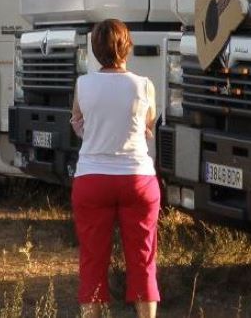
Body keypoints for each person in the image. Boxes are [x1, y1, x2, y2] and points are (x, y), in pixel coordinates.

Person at [70, 18, 160, 318]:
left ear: (96, 50)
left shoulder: (83, 84)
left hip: (92, 178)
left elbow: (77, 122)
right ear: (127, 47)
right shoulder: (144, 85)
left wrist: (92, 132)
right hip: (138, 178)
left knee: (92, 261)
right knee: (143, 261)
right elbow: (148, 124)